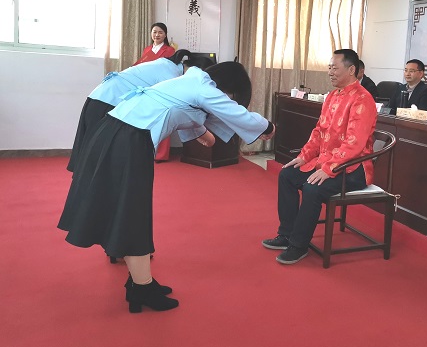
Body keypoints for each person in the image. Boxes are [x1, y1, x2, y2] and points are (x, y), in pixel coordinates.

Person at [58, 62, 275, 313]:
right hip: (128, 140)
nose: (227, 100)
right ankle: (141, 287)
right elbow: (234, 113)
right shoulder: (202, 86)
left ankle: (140, 281)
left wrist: (204, 134)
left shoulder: (189, 84)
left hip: (118, 133)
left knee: (131, 212)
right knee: (132, 214)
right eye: (230, 95)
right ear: (227, 87)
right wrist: (267, 127)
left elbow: (186, 115)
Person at [262, 49, 377, 265]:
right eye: (329, 68)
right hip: (327, 162)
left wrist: (329, 168)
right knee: (287, 175)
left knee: (312, 188)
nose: (330, 72)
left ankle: (299, 245)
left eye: (335, 68)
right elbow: (319, 132)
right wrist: (304, 157)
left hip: (353, 168)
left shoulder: (363, 99)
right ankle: (286, 234)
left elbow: (354, 143)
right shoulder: (332, 96)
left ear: (351, 70)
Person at [67, 50, 210, 173]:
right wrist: (201, 132)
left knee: (93, 153)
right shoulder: (171, 75)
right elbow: (180, 108)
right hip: (109, 102)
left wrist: (198, 132)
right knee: (99, 156)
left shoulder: (167, 65)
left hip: (100, 97)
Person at [134, 22, 176, 161]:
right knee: (147, 118)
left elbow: (169, 70)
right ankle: (146, 151)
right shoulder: (147, 50)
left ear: (165, 35)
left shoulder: (169, 51)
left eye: (160, 32)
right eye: (154, 32)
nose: (157, 35)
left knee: (162, 120)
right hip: (147, 87)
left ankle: (161, 154)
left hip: (162, 87)